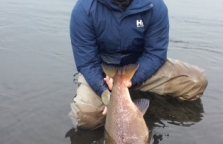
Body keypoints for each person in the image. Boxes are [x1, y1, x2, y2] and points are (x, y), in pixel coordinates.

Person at [68, 0, 208, 130]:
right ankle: (132, 103)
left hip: (141, 67)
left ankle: (139, 104)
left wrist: (130, 81)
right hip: (103, 72)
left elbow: (155, 53)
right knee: (85, 118)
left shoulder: (155, 6)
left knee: (195, 82)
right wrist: (106, 95)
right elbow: (87, 63)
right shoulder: (83, 9)